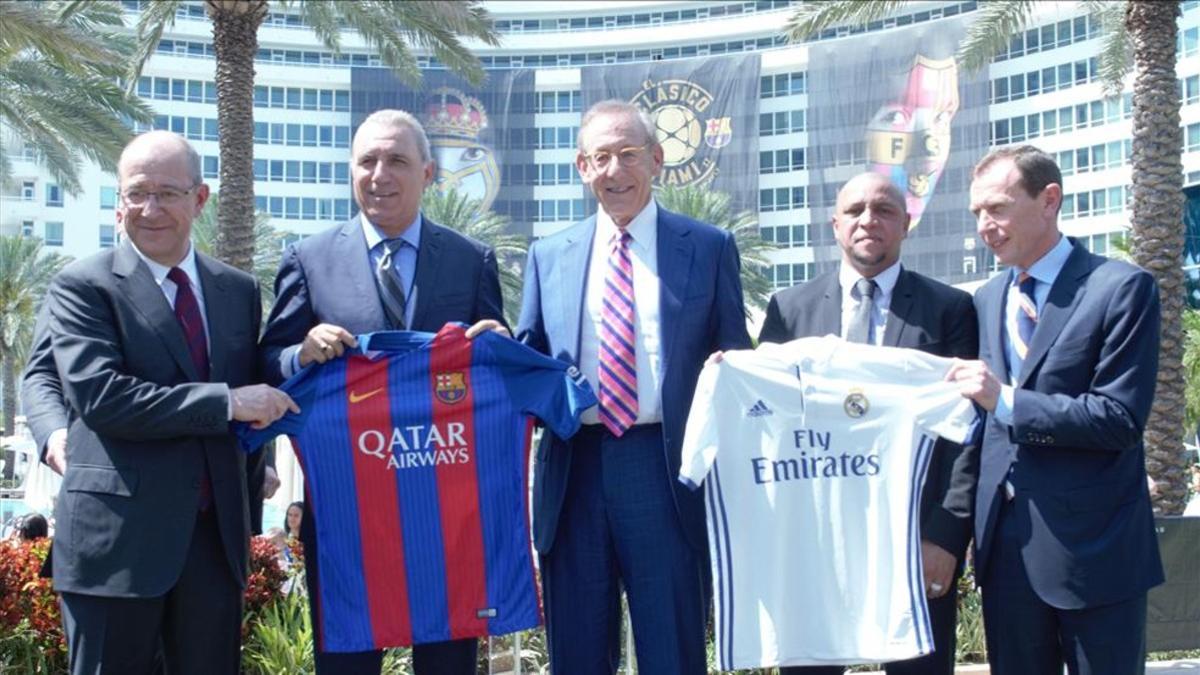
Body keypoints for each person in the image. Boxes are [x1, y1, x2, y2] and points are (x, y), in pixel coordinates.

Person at [258, 108, 505, 675]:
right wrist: (301, 352)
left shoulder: (471, 261)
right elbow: (267, 365)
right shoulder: (308, 259)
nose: (380, 174)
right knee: (347, 663)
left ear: (428, 172)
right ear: (350, 171)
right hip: (348, 512)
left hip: (448, 514)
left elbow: (492, 362)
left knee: (447, 663)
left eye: (396, 160)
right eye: (367, 161)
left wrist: (500, 343)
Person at [44, 130, 297, 675]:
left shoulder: (237, 290)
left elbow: (257, 383)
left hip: (213, 545)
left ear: (199, 199)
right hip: (115, 547)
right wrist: (226, 402)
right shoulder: (83, 286)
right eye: (137, 193)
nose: (150, 209)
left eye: (167, 193)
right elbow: (102, 397)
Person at [514, 99, 751, 674]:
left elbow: (736, 359)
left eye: (627, 155)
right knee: (578, 652)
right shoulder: (547, 258)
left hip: (665, 471)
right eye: (600, 158)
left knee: (672, 649)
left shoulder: (709, 247)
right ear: (581, 167)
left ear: (657, 159)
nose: (614, 171)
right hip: (575, 471)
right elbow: (527, 364)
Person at [948, 145, 1164, 675]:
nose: (985, 225)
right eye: (977, 213)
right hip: (1006, 556)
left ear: (1049, 200)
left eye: (997, 208)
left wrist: (1008, 400)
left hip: (1097, 555)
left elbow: (1118, 419)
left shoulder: (1121, 288)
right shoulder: (984, 299)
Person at [759, 172, 977, 675]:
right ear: (835, 225)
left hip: (913, 541)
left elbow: (964, 434)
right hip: (814, 546)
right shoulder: (789, 311)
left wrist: (944, 537)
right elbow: (768, 425)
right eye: (855, 210)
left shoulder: (949, 310)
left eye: (883, 210)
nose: (868, 220)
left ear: (905, 224)